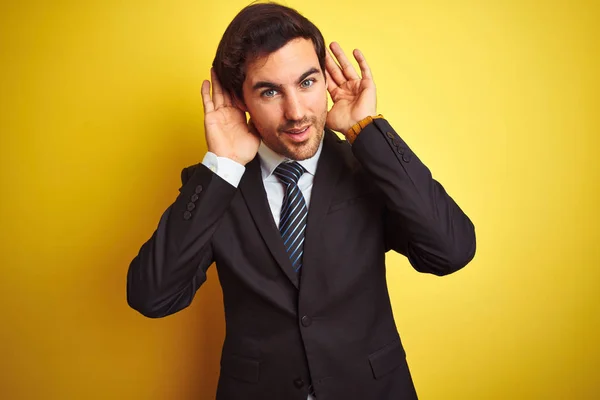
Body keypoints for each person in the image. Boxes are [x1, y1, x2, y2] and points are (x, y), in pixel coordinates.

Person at [126, 2, 476, 399]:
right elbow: (152, 296)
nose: (296, 113)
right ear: (240, 101)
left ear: (325, 80)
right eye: (270, 91)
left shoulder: (368, 167)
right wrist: (222, 167)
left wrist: (367, 129)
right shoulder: (216, 186)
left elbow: (452, 251)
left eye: (307, 83)